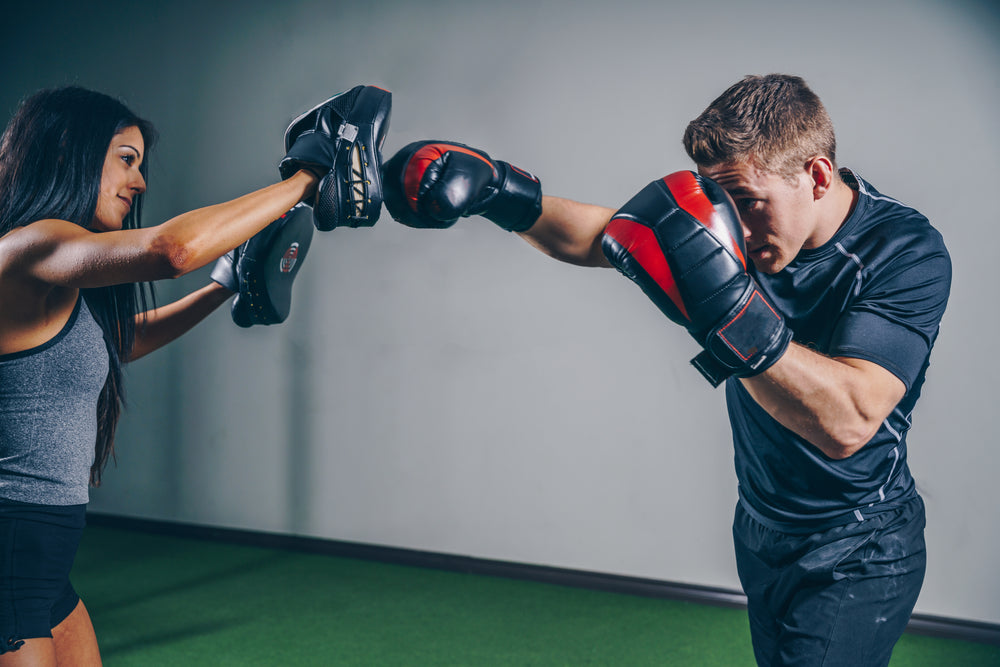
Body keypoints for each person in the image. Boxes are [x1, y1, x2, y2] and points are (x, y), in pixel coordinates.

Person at [380, 74, 952, 666]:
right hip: (761, 524)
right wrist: (497, 193)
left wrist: (729, 310)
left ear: (816, 176)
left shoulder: (904, 251)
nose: (737, 228)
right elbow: (604, 236)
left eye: (750, 203)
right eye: (722, 203)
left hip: (859, 541)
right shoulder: (745, 224)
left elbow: (848, 421)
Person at [0, 83, 383, 664]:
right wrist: (307, 177)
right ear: (64, 154)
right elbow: (171, 251)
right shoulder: (28, 248)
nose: (140, 181)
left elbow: (116, 344)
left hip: (43, 557)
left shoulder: (59, 276)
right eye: (125, 160)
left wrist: (221, 287)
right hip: (11, 549)